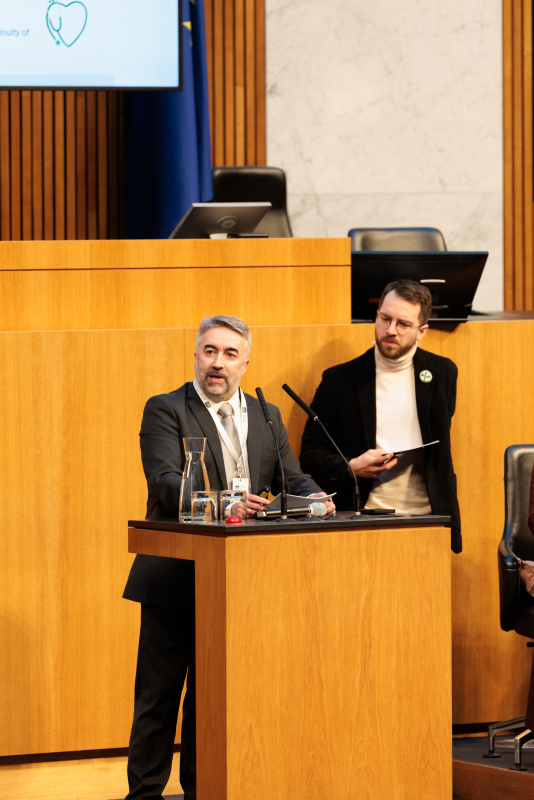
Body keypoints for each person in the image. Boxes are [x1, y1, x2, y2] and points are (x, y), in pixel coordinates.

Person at [123, 314, 334, 800]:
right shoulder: (166, 409)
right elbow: (165, 481)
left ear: (246, 362)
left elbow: (290, 477)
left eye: (229, 354)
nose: (218, 364)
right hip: (177, 573)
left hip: (241, 578)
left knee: (211, 699)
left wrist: (319, 497)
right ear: (196, 354)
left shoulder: (266, 414)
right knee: (159, 697)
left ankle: (205, 790)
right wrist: (224, 504)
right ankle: (145, 795)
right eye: (210, 352)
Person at [300, 278, 461, 553]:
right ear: (376, 315)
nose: (391, 330)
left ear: (422, 331)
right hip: (363, 518)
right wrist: (350, 466)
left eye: (403, 324)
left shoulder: (443, 373)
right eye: (385, 318)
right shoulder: (340, 380)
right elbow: (310, 454)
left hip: (430, 519)